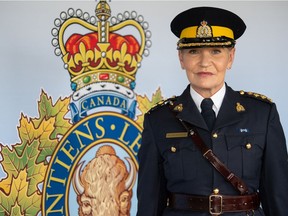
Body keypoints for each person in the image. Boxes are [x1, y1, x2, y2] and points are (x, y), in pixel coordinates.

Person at [136, 6, 288, 216]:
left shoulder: (262, 115)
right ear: (181, 58)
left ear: (231, 57)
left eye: (216, 51)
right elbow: (149, 203)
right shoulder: (159, 120)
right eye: (194, 51)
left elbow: (278, 197)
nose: (205, 62)